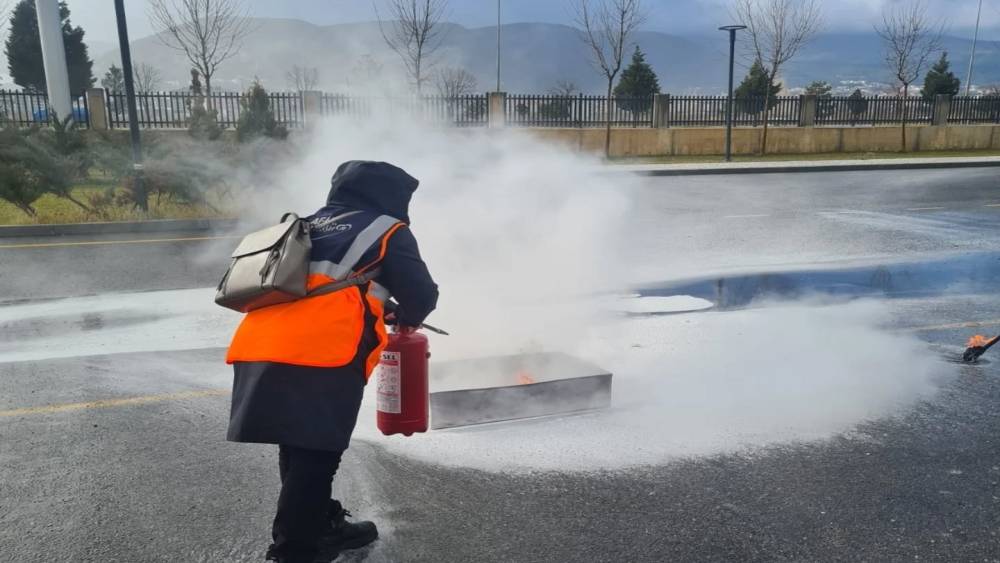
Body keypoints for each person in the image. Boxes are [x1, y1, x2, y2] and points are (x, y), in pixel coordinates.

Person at [225, 161, 439, 563]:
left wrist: (379, 303)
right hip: (322, 351)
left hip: (261, 342)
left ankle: (319, 525)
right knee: (316, 454)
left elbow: (323, 284)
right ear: (391, 194)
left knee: (298, 444)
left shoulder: (305, 223)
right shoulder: (387, 229)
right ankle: (294, 552)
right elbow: (422, 294)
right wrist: (409, 314)